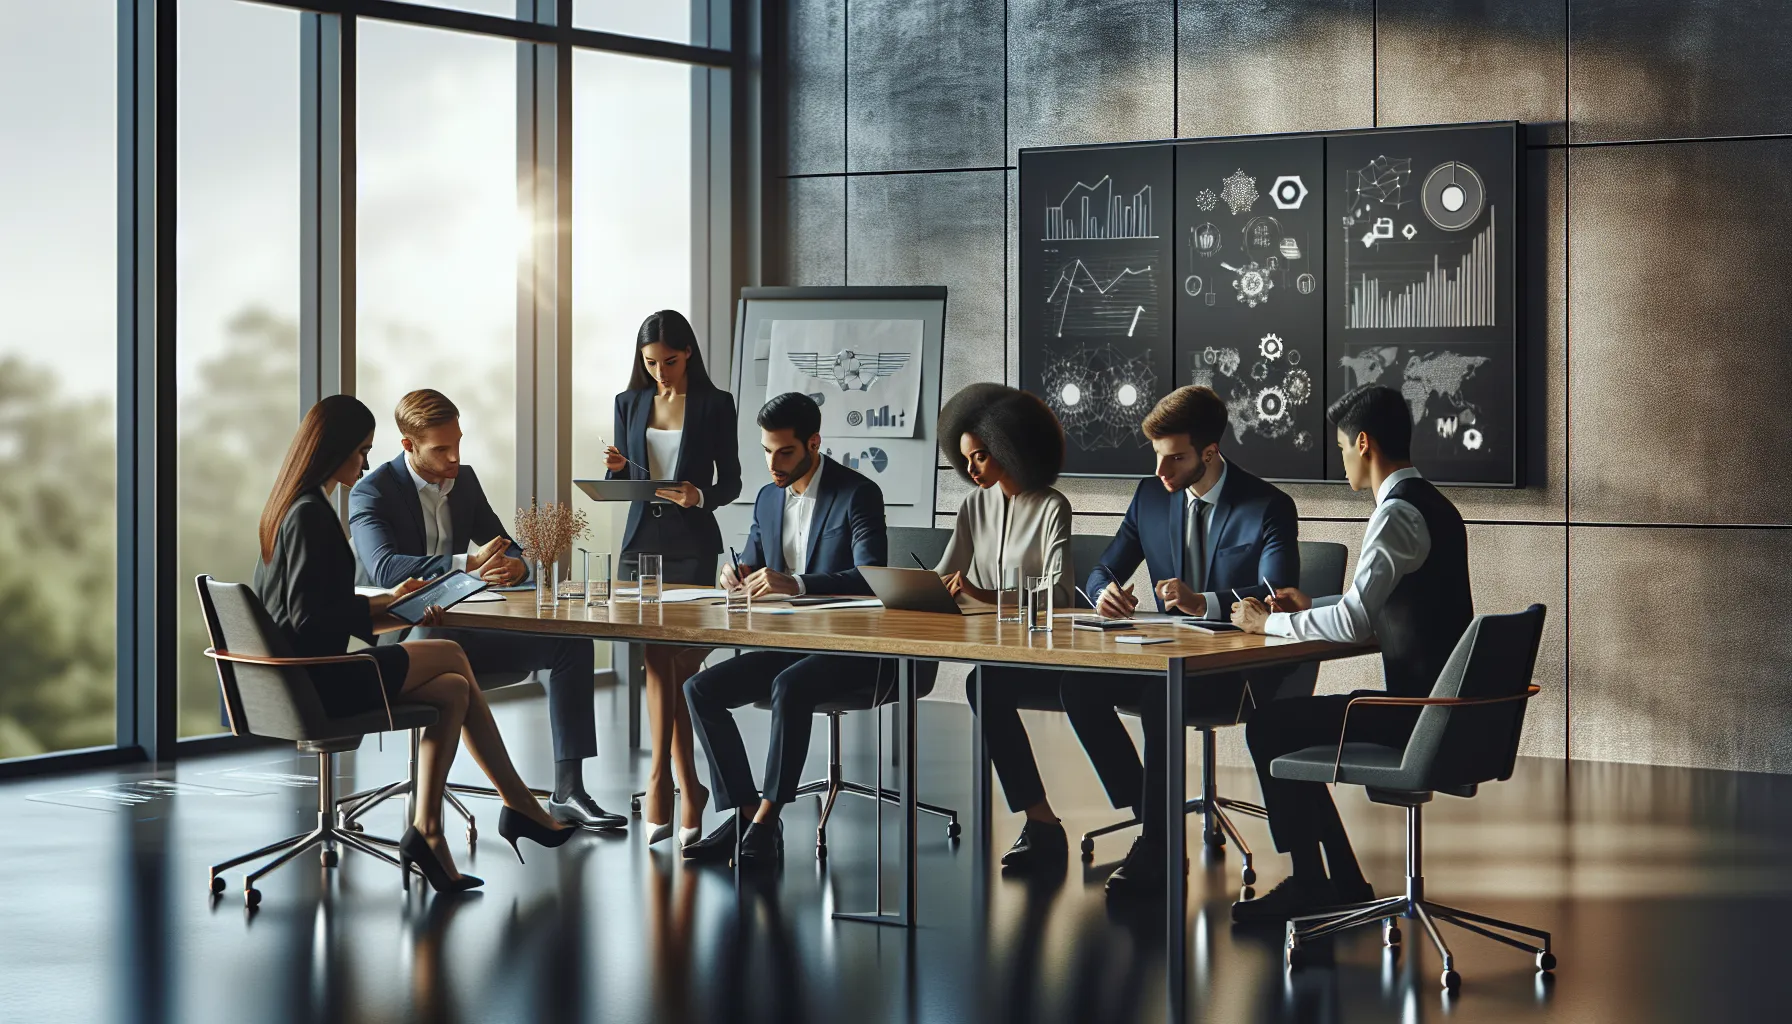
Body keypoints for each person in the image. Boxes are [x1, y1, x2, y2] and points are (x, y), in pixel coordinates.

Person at [256, 395, 575, 892]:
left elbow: (319, 611)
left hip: (304, 673)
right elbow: (312, 622)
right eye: (359, 450)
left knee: (451, 687)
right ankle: (520, 805)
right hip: (315, 680)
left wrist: (391, 606)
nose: (364, 461)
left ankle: (428, 832)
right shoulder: (311, 515)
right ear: (335, 449)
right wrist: (386, 609)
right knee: (449, 654)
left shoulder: (293, 508)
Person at [1227, 384, 1474, 922]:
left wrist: (1271, 623)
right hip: (1445, 712)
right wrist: (1312, 603)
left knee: (1268, 725)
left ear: (1364, 443)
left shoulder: (1396, 515)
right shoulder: (1435, 506)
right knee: (1287, 724)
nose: (1341, 460)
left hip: (1415, 717)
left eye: (1341, 447)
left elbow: (1355, 621)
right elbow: (1377, 601)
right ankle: (1339, 878)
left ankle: (1313, 882)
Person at [349, 389, 625, 831]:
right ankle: (441, 815)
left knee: (571, 643)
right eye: (441, 449)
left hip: (465, 629)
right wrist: (467, 564)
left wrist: (516, 565)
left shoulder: (466, 482)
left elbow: (503, 544)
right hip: (407, 639)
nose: (454, 456)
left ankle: (568, 791)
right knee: (445, 657)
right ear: (408, 446)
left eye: (458, 442)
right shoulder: (372, 492)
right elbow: (384, 568)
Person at [1064, 384, 1300, 897]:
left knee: (1158, 698)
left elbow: (1276, 594)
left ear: (1209, 453)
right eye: (1157, 458)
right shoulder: (1151, 496)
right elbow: (1104, 566)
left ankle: (1157, 850)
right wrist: (1103, 593)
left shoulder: (1268, 506)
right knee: (1077, 687)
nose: (1161, 472)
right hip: (1164, 659)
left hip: (1234, 671)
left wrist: (1205, 603)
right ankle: (1151, 816)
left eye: (1175, 459)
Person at [681, 391, 911, 868]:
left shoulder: (857, 493)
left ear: (813, 442)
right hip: (787, 642)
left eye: (784, 451)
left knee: (791, 686)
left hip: (852, 648)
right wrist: (736, 575)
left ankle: (766, 821)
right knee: (700, 688)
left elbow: (872, 576)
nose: (773, 463)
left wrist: (799, 583)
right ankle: (746, 812)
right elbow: (751, 563)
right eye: (766, 451)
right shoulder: (767, 498)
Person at [604, 310, 743, 847]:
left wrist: (698, 495)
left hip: (691, 546)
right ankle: (685, 782)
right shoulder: (628, 403)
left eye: (671, 361)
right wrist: (618, 470)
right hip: (638, 543)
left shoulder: (715, 405)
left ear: (689, 354)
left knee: (674, 659)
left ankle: (663, 776)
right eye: (651, 363)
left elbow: (730, 481)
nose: (661, 372)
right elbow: (629, 476)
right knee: (654, 659)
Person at [929, 383, 1079, 874]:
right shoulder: (975, 505)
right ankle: (1041, 822)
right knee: (984, 683)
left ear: (1012, 446)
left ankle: (1044, 829)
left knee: (985, 684)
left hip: (1051, 652)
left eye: (981, 456)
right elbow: (944, 576)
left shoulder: (1052, 506)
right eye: (966, 457)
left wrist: (987, 597)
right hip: (997, 648)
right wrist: (927, 588)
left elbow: (1059, 596)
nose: (970, 469)